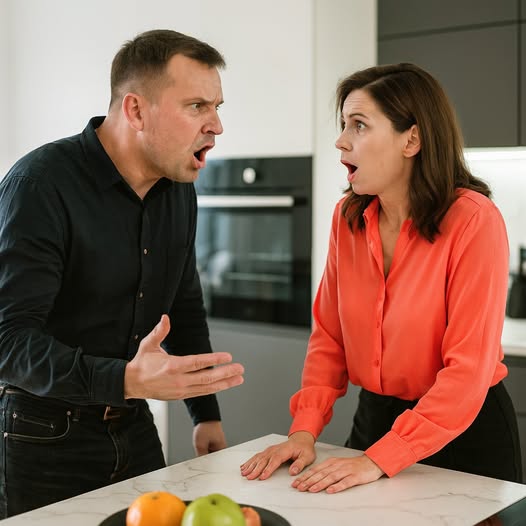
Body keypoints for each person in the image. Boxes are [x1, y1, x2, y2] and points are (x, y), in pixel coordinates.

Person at [240, 63, 522, 493]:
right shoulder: (348, 219)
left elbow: (467, 372)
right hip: (375, 421)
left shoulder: (474, 222)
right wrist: (304, 430)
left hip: (464, 435)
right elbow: (330, 338)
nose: (341, 140)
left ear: (412, 139)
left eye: (359, 125)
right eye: (343, 125)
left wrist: (379, 459)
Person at [0, 29, 245, 518]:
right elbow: (8, 341)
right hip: (42, 439)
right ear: (135, 110)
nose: (216, 125)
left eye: (217, 106)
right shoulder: (40, 185)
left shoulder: (178, 187)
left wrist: (205, 415)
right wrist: (126, 379)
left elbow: (183, 303)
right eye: (196, 106)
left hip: (134, 427)